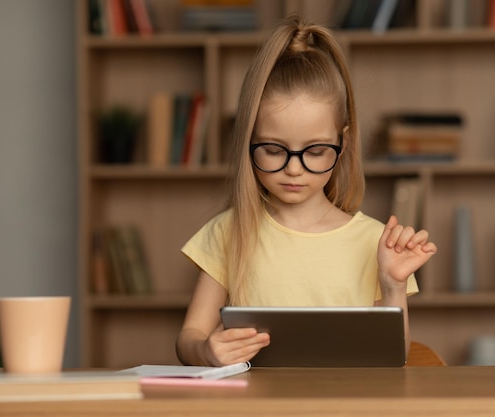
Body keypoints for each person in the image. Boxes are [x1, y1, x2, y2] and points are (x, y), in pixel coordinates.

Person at [176, 15, 437, 367]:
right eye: (273, 149)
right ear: (248, 141)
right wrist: (206, 351)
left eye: (315, 152)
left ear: (342, 143)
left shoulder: (376, 242)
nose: (294, 168)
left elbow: (394, 356)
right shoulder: (228, 231)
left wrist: (393, 286)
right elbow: (189, 337)